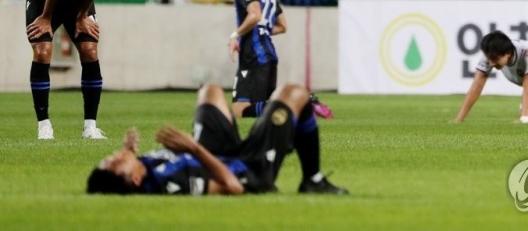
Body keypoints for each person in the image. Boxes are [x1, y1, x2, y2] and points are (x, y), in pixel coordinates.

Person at [86, 83, 348, 195]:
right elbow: (232, 186)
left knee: (210, 92)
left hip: (216, 154)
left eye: (107, 159)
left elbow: (150, 164)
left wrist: (130, 152)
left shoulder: (143, 169)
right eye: (115, 163)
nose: (113, 157)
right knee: (294, 93)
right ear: (134, 178)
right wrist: (194, 148)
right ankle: (313, 180)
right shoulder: (173, 185)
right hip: (248, 169)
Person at [25, 0, 124, 140]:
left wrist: (81, 16)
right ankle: (44, 126)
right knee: (42, 51)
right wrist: (45, 17)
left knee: (90, 50)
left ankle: (90, 127)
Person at [228, 0, 287, 119]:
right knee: (259, 112)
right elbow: (282, 26)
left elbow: (255, 15)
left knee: (239, 110)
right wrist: (259, 31)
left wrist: (235, 35)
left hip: (254, 56)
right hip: (269, 56)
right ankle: (296, 104)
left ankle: (297, 103)